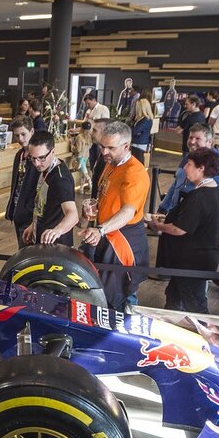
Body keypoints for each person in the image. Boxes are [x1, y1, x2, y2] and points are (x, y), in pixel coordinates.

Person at [78, 121, 150, 311]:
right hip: (104, 236)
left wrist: (100, 229)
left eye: (110, 147)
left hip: (122, 242)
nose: (104, 152)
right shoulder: (111, 163)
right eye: (102, 146)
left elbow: (127, 212)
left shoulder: (134, 173)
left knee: (118, 299)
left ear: (126, 146)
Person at [148, 148, 219, 313]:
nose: (185, 168)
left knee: (196, 305)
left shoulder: (199, 197)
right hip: (194, 260)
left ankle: (207, 337)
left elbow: (179, 229)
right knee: (174, 296)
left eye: (189, 164)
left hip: (192, 262)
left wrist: (158, 226)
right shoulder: (216, 192)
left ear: (201, 168)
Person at [157, 124, 219, 233]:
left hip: (196, 226)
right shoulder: (189, 157)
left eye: (198, 138)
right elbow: (177, 184)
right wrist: (163, 208)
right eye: (190, 137)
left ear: (209, 142)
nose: (192, 142)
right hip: (176, 219)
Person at [24, 131, 78, 246]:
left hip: (56, 246)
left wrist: (57, 231)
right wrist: (33, 225)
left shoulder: (60, 179)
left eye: (41, 158)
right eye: (33, 158)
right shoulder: (46, 169)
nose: (37, 163)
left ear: (53, 151)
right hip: (41, 240)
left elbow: (73, 215)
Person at [5, 115, 39, 249]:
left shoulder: (38, 158)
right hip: (18, 212)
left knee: (27, 252)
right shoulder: (19, 155)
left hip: (30, 215)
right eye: (17, 135)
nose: (20, 139)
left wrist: (32, 213)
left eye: (23, 134)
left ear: (32, 131)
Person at [88, 118, 111, 199]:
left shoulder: (109, 158)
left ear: (105, 133)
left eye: (95, 130)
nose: (91, 133)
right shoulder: (101, 154)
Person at [74, 122, 94, 194]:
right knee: (83, 174)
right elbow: (90, 147)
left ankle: (91, 187)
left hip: (80, 157)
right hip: (86, 156)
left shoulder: (79, 137)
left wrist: (72, 147)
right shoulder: (90, 137)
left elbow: (78, 149)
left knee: (85, 174)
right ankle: (81, 189)